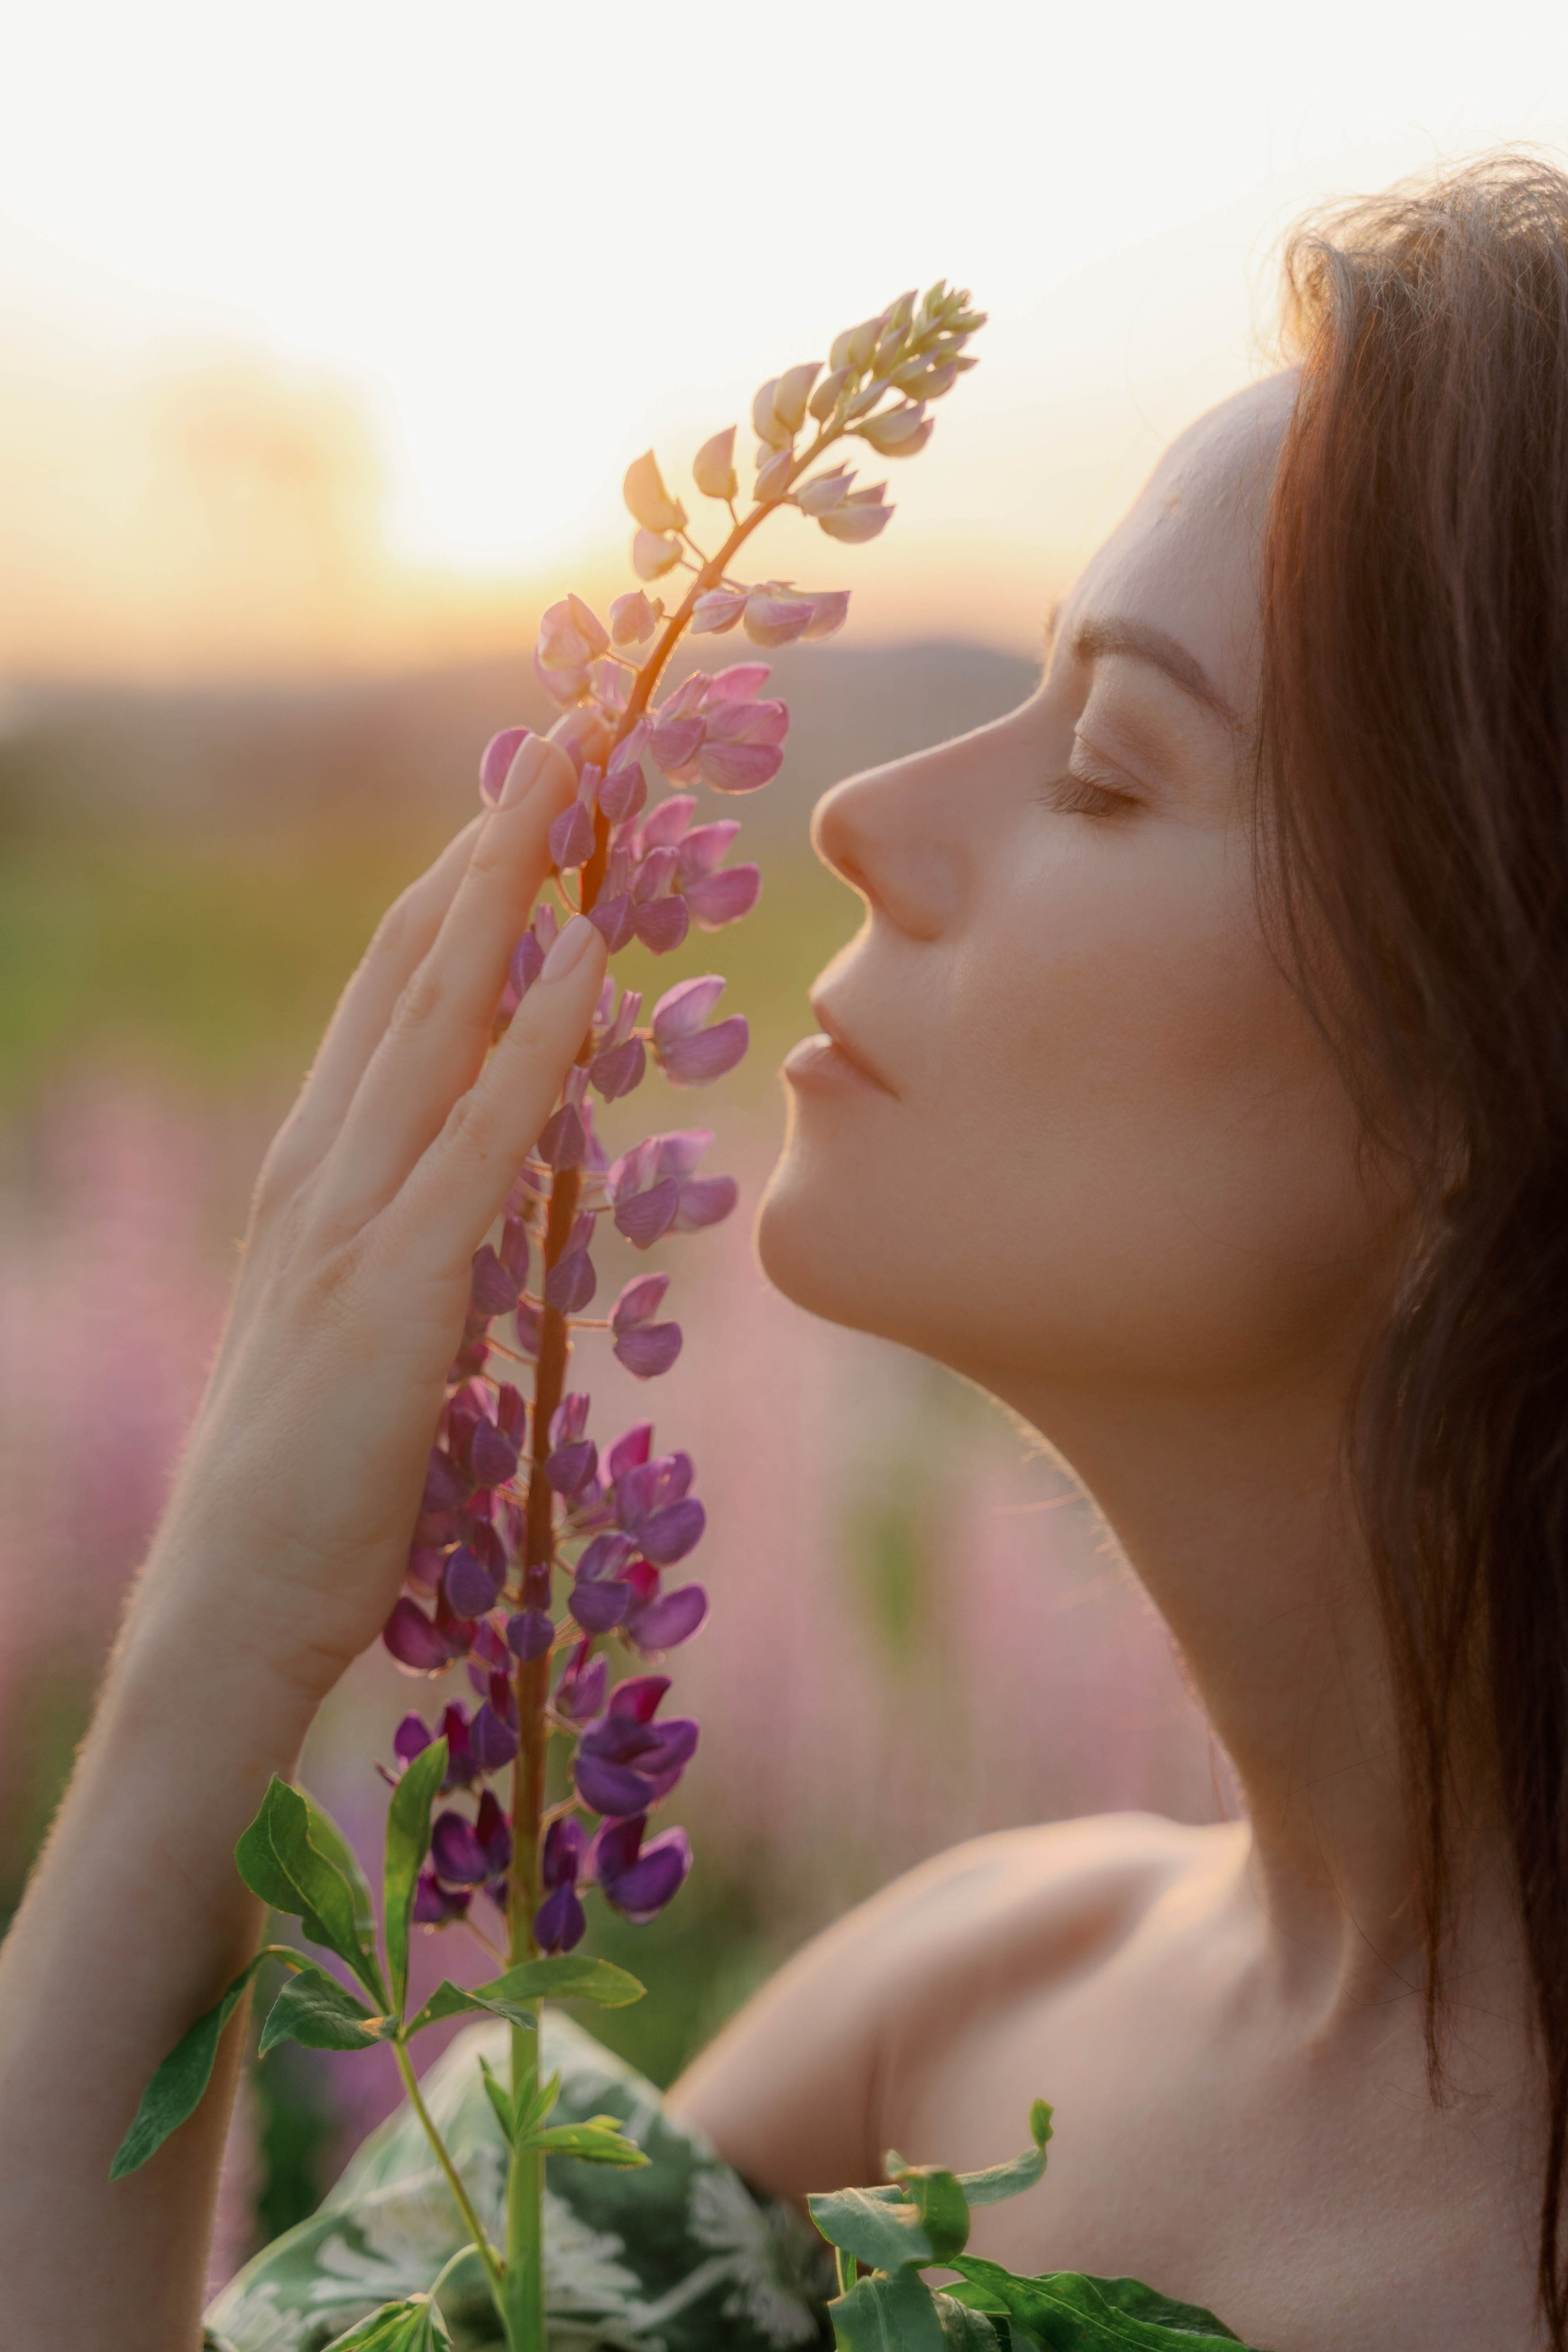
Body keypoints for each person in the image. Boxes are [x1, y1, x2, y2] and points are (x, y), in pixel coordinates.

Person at [2, 151, 1565, 2351]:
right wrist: (220, 1646)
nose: (858, 814)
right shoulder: (946, 2008)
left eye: (1111, 770)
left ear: (1494, 1076)